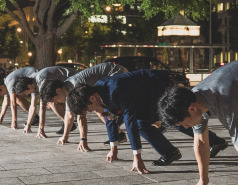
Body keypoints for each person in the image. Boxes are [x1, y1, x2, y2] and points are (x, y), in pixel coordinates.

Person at [67, 69, 228, 174]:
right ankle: (214, 141)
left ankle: (172, 151)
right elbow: (111, 118)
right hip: (144, 96)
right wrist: (113, 147)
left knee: (164, 119)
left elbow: (129, 119)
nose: (92, 111)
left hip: (158, 86)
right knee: (154, 122)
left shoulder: (115, 90)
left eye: (90, 109)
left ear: (92, 98)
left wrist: (136, 155)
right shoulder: (100, 91)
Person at [38, 62, 128, 151]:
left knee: (105, 108)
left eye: (54, 100)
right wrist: (65, 137)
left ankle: (121, 118)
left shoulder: (75, 87)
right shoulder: (68, 91)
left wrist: (83, 140)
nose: (56, 103)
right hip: (106, 78)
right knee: (97, 108)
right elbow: (69, 115)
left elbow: (81, 117)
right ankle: (119, 134)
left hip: (115, 72)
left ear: (58, 91)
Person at [12, 66, 78, 137]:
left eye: (25, 93)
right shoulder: (33, 84)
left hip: (73, 78)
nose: (26, 94)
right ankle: (69, 123)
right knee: (52, 100)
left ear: (28, 86)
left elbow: (42, 107)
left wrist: (41, 129)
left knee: (51, 101)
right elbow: (32, 106)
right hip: (63, 84)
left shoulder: (41, 81)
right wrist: (28, 125)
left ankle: (69, 123)